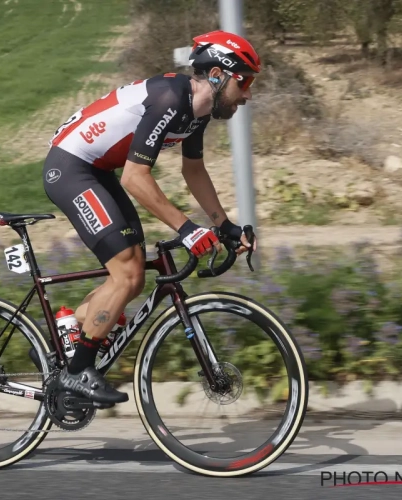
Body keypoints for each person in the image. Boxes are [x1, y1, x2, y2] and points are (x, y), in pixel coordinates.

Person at [41, 30, 260, 405]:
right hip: (72, 166)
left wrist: (223, 225)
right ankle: (76, 373)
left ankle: (70, 329)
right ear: (219, 75)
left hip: (98, 169)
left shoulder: (198, 112)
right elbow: (135, 178)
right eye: (246, 82)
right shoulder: (170, 99)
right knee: (127, 271)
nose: (249, 95)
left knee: (133, 276)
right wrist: (188, 230)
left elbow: (194, 171)